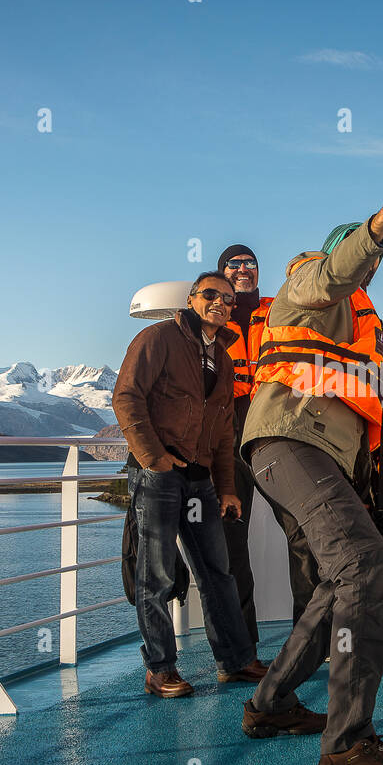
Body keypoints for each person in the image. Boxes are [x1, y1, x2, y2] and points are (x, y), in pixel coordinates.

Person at [239, 173, 383, 765]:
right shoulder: (307, 286)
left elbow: (372, 410)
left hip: (316, 456)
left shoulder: (360, 329)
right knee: (368, 564)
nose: (364, 273)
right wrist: (380, 223)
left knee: (340, 577)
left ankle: (270, 705)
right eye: (357, 258)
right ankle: (348, 746)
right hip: (288, 441)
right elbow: (335, 272)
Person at [112, 273, 268, 698]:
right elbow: (126, 397)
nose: (220, 302)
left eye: (228, 299)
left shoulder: (223, 356)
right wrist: (154, 458)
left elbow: (222, 430)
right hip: (159, 476)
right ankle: (160, 669)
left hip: (201, 481)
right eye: (211, 294)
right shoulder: (157, 338)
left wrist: (228, 486)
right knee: (156, 576)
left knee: (217, 572)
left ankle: (234, 661)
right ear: (192, 299)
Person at [216, 243, 320, 642]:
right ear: (221, 272)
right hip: (226, 435)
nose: (244, 269)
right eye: (235, 264)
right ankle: (241, 644)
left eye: (251, 264)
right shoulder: (207, 323)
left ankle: (309, 637)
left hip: (272, 427)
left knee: (301, 531)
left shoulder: (279, 311)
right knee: (230, 540)